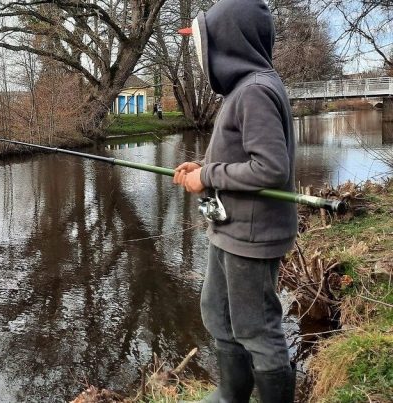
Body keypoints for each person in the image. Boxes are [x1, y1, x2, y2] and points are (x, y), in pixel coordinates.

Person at [173, 0, 298, 402]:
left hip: (252, 234)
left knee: (255, 327)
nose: (200, 55)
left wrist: (206, 177)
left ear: (228, 40)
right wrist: (203, 165)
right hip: (230, 229)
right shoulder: (245, 88)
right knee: (216, 311)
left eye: (204, 43)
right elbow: (241, 155)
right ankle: (232, 392)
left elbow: (270, 168)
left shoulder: (255, 91)